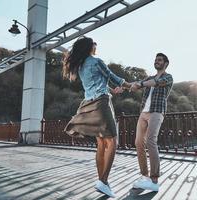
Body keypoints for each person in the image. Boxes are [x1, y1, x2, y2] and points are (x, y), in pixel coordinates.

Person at [62, 37, 131, 198]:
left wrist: (113, 91)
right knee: (113, 141)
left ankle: (102, 181)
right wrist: (130, 85)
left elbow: (98, 81)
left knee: (101, 143)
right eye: (94, 44)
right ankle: (103, 181)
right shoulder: (96, 61)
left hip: (88, 103)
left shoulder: (81, 65)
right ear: (89, 47)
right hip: (101, 104)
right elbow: (113, 76)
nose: (96, 46)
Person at [130, 53, 173, 192]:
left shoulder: (168, 77)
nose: (156, 61)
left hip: (157, 111)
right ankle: (145, 176)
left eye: (159, 60)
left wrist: (140, 84)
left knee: (150, 141)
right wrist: (123, 86)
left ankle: (154, 180)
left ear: (165, 63)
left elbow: (154, 83)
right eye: (155, 60)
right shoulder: (149, 78)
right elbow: (135, 84)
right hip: (144, 113)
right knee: (138, 142)